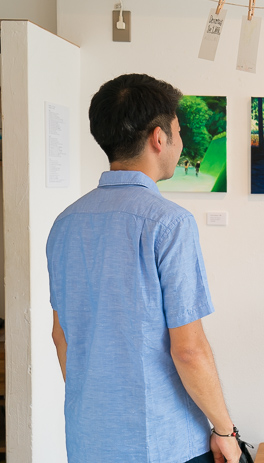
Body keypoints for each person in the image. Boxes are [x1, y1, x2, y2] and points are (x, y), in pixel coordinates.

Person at [47, 74, 242, 463]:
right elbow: (189, 350)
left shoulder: (65, 223)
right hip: (163, 442)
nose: (181, 141)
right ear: (159, 137)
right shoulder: (170, 223)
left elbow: (61, 336)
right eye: (179, 131)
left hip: (89, 440)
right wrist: (225, 430)